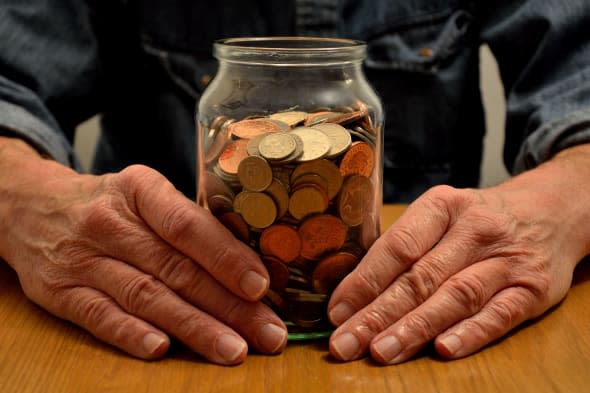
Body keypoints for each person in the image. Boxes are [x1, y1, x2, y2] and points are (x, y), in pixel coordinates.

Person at [1, 0, 589, 366]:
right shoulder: (223, 99)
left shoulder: (358, 101)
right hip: (164, 322)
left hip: (401, 322)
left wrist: (561, 201)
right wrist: (23, 198)